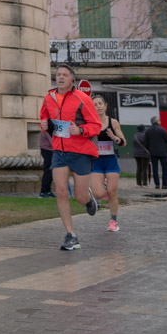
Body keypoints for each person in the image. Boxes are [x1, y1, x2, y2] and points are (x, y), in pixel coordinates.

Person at [40, 64, 102, 250]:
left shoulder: (83, 99)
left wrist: (80, 129)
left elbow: (96, 126)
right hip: (59, 151)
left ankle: (88, 199)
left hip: (80, 152)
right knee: (60, 191)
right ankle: (70, 235)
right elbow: (44, 118)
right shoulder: (49, 98)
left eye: (64, 75)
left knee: (80, 197)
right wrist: (44, 124)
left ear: (72, 80)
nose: (60, 77)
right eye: (58, 74)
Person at [91, 95, 125, 231]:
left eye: (100, 103)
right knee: (98, 194)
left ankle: (113, 221)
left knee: (112, 192)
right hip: (96, 161)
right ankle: (103, 187)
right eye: (95, 104)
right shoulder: (90, 123)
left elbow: (123, 142)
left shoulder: (113, 122)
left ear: (105, 106)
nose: (98, 106)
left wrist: (114, 137)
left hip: (111, 160)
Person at [144, 116, 167, 190]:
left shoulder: (148, 131)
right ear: (157, 121)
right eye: (159, 120)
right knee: (165, 169)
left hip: (153, 153)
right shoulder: (162, 130)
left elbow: (145, 143)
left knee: (155, 169)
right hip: (162, 152)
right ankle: (164, 184)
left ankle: (157, 185)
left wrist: (150, 149)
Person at [38, 123, 55, 198]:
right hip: (47, 150)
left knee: (50, 171)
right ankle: (44, 191)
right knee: (48, 171)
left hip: (50, 150)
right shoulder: (46, 130)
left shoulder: (49, 129)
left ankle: (48, 190)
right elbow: (52, 142)